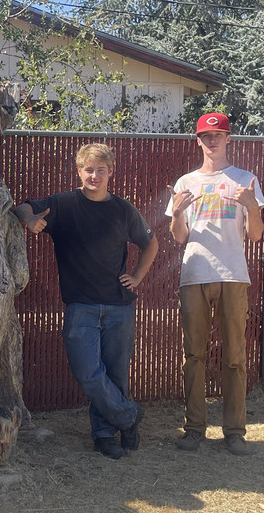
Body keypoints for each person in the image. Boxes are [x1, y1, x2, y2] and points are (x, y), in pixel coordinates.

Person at [15, 142, 158, 460]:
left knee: (116, 373)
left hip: (119, 304)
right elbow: (22, 207)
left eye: (100, 170)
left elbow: (150, 244)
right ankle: (129, 416)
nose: (95, 175)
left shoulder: (123, 209)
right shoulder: (63, 204)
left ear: (111, 172)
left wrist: (136, 277)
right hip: (81, 305)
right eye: (89, 169)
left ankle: (106, 434)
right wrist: (30, 220)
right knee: (89, 372)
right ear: (79, 171)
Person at [166, 112, 264, 455]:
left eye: (218, 135)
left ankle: (235, 432)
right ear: (198, 141)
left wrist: (252, 207)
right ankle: (194, 429)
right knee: (193, 354)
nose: (212, 141)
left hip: (232, 275)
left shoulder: (245, 180)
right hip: (194, 274)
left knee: (234, 356)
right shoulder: (185, 182)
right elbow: (179, 237)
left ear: (228, 139)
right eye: (206, 136)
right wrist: (178, 213)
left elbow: (255, 235)